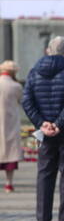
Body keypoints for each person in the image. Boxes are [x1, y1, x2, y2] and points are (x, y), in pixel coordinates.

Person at [22, 36, 64, 221]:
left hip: (44, 133)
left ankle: (43, 217)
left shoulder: (34, 72)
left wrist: (42, 124)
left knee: (44, 173)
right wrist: (59, 124)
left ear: (47, 51)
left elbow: (27, 101)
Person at [0, 60, 22, 193]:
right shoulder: (16, 86)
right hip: (10, 122)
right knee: (10, 155)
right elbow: (21, 100)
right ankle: (9, 183)